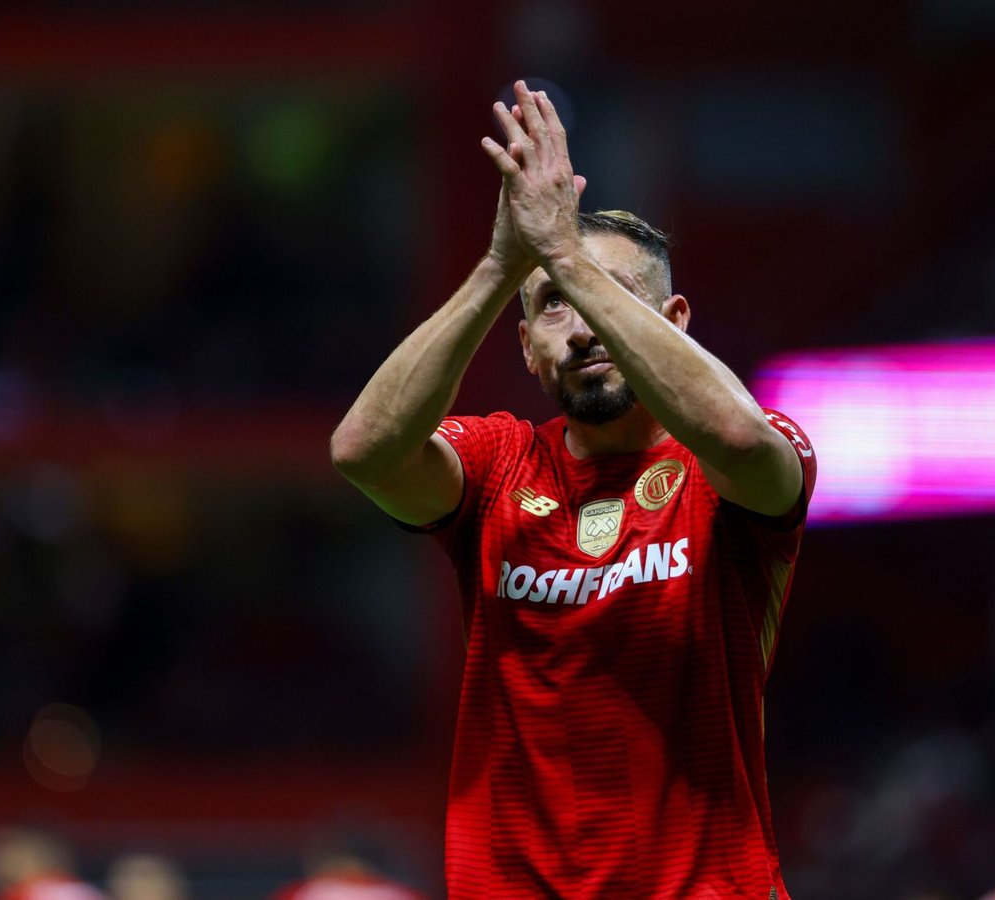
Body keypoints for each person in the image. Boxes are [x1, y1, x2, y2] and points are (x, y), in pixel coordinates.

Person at [330, 80, 817, 898]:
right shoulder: (497, 464)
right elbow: (364, 452)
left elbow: (736, 435)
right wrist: (500, 266)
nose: (583, 326)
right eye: (553, 306)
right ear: (524, 347)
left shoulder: (738, 462)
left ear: (677, 321)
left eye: (613, 295)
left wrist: (563, 256)